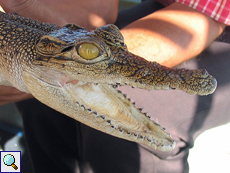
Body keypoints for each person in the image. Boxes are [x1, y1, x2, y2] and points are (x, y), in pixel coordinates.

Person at [0, 0, 229, 172]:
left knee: (135, 121)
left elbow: (207, 14)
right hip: (165, 4)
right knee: (39, 101)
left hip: (213, 18)